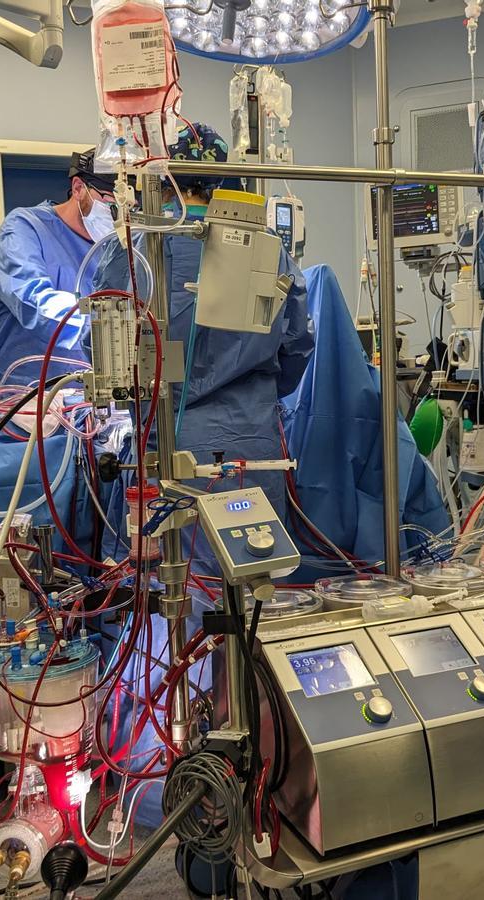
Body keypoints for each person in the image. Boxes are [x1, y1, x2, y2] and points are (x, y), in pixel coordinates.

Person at [94, 123, 315, 574]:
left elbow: (103, 353)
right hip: (250, 443)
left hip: (168, 444)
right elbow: (297, 345)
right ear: (220, 180)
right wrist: (255, 386)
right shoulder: (268, 251)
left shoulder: (132, 252)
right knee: (255, 578)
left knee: (175, 590)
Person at [0, 149, 118, 388]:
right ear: (78, 188)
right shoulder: (25, 228)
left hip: (96, 401)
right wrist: (109, 333)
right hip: (33, 397)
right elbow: (33, 301)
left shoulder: (115, 246)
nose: (118, 214)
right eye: (110, 202)